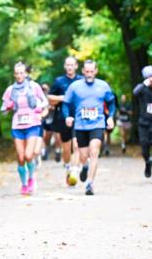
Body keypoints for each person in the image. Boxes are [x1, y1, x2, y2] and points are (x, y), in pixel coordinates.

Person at [63, 59, 116, 196]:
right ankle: (84, 166)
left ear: (96, 71)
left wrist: (110, 117)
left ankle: (90, 183)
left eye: (92, 71)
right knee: (83, 156)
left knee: (94, 152)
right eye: (87, 71)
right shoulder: (75, 86)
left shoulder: (103, 86)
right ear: (83, 71)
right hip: (80, 125)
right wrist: (67, 116)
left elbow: (111, 103)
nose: (89, 74)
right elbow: (65, 103)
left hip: (97, 124)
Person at [1, 62, 48, 195]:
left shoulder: (34, 87)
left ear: (26, 73)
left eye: (22, 73)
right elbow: (3, 110)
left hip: (32, 125)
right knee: (21, 158)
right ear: (14, 74)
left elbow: (45, 101)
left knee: (28, 155)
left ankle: (32, 178)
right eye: (17, 73)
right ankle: (24, 184)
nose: (19, 75)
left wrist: (39, 108)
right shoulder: (10, 90)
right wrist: (8, 106)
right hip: (17, 126)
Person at [48, 56, 81, 184]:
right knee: (66, 148)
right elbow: (50, 98)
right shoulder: (59, 81)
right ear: (64, 66)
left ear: (76, 66)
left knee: (77, 145)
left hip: (78, 117)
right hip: (62, 118)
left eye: (72, 65)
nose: (69, 67)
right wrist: (63, 98)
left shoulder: (81, 81)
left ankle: (74, 170)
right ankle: (68, 167)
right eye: (67, 65)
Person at [40, 82, 56, 161]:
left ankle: (51, 149)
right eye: (42, 89)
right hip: (42, 119)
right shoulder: (38, 97)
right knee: (43, 136)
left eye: (45, 89)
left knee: (48, 138)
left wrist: (51, 108)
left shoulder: (51, 97)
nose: (44, 90)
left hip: (51, 119)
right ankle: (44, 151)